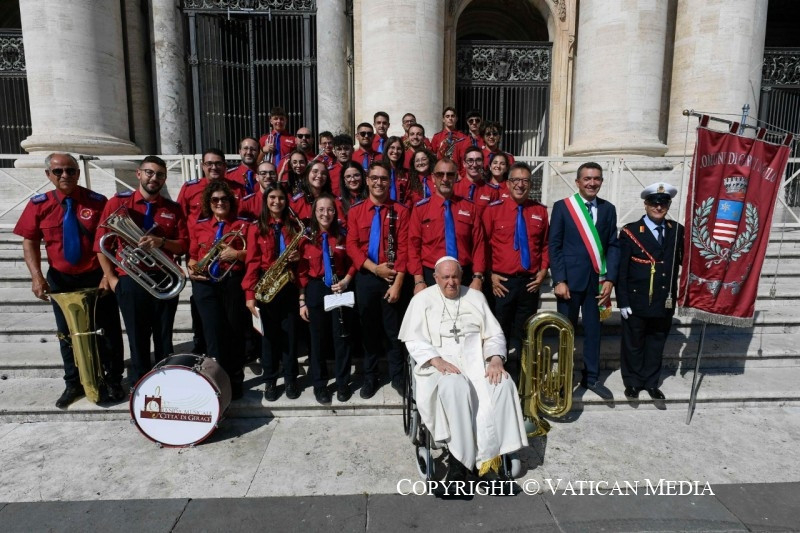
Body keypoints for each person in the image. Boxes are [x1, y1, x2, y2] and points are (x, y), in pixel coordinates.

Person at [398, 256, 527, 485]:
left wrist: (496, 358)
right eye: (445, 277)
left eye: (455, 277)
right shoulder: (421, 300)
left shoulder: (475, 297)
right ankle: (459, 463)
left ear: (461, 276)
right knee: (454, 385)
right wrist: (435, 360)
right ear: (435, 277)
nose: (451, 282)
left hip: (476, 363)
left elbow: (494, 335)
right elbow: (413, 339)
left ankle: (494, 456)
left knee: (503, 383)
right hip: (439, 369)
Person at [14, 153, 125, 407]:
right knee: (66, 334)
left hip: (96, 276)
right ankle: (73, 383)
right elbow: (30, 242)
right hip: (61, 279)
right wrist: (36, 277)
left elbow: (111, 241)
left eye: (71, 170)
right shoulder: (39, 204)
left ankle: (113, 379)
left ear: (78, 173)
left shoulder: (97, 202)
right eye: (58, 171)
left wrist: (108, 275)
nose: (65, 175)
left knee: (108, 330)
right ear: (48, 175)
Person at [95, 155, 189, 389]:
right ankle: (141, 386)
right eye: (149, 172)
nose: (154, 178)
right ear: (139, 174)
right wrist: (111, 278)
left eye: (159, 175)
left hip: (163, 278)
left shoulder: (173, 209)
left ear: (164, 179)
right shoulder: (118, 203)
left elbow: (183, 245)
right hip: (130, 279)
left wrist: (161, 242)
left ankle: (166, 383)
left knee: (163, 336)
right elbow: (101, 244)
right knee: (137, 337)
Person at [549, 162, 620, 399]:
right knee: (565, 333)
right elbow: (554, 245)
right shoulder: (563, 207)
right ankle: (563, 378)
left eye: (596, 179)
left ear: (601, 181)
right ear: (578, 182)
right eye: (587, 179)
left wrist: (610, 278)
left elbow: (612, 245)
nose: (592, 183)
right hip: (569, 283)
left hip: (597, 283)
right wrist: (559, 279)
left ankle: (591, 378)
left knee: (593, 332)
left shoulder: (608, 209)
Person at [346, 162, 409, 399]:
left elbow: (405, 249)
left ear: (389, 181)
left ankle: (397, 376)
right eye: (374, 178)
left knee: (394, 331)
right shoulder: (356, 211)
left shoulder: (401, 211)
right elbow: (352, 246)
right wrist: (375, 269)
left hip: (392, 277)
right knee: (369, 331)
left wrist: (398, 283)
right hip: (367, 276)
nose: (379, 182)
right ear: (367, 180)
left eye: (383, 178)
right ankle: (370, 377)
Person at [616, 182, 683, 401]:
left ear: (668, 205)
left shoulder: (677, 230)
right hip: (637, 298)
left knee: (656, 342)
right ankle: (633, 382)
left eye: (663, 203)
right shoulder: (631, 231)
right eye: (654, 202)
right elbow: (622, 269)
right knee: (634, 343)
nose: (658, 207)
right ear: (645, 204)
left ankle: (652, 383)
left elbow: (686, 260)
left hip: (664, 299)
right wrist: (623, 301)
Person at [482, 163, 549, 375]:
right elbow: (483, 246)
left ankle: (521, 378)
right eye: (516, 180)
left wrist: (543, 270)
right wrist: (490, 275)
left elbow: (545, 245)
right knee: (498, 331)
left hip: (530, 283)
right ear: (508, 184)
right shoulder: (493, 210)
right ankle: (497, 375)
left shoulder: (540, 211)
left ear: (531, 184)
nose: (521, 185)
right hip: (502, 283)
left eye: (525, 181)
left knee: (525, 333)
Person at [187, 180, 250, 400]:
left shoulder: (242, 225)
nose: (220, 203)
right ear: (209, 202)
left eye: (224, 199)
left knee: (234, 332)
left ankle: (235, 380)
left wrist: (237, 254)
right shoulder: (199, 226)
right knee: (212, 335)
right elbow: (192, 257)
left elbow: (254, 254)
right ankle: (216, 381)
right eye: (215, 200)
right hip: (205, 285)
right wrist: (192, 270)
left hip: (232, 282)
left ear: (230, 201)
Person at [242, 185, 302, 401]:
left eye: (281, 198)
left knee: (291, 336)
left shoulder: (293, 226)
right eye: (272, 198)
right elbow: (252, 262)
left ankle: (291, 378)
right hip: (266, 286)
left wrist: (297, 258)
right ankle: (270, 380)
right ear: (266, 200)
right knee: (268, 339)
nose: (277, 202)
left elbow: (303, 256)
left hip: (288, 285)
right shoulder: (256, 227)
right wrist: (250, 295)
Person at [297, 194, 356, 404]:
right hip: (315, 288)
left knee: (341, 338)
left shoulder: (342, 235)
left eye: (330, 209)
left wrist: (346, 281)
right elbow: (301, 272)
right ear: (314, 212)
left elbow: (354, 261)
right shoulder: (305, 239)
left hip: (338, 288)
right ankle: (320, 385)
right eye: (321, 209)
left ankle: (343, 383)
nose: (325, 214)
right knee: (317, 340)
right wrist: (302, 300)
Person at [409, 158, 486, 293]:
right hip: (431, 276)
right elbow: (413, 246)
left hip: (464, 275)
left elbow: (478, 244)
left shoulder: (469, 207)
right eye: (440, 174)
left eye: (450, 174)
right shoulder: (421, 209)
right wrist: (418, 280)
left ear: (456, 177)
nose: (445, 179)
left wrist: (478, 277)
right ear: (433, 178)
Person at [453, 145, 498, 214]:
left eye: (478, 160)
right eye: (470, 160)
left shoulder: (492, 191)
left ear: (483, 163)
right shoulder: (454, 189)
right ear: (464, 164)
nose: (474, 165)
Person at [379, 136, 410, 205]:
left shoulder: (406, 174)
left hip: (402, 208)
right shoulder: (380, 171)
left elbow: (409, 196)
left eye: (399, 149)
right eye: (392, 148)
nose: (395, 151)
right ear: (387, 149)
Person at [453, 109, 483, 175]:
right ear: (467, 122)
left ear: (481, 121)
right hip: (464, 177)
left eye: (477, 120)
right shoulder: (459, 144)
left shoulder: (485, 142)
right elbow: (455, 164)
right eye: (471, 121)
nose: (474, 123)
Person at [329, 133, 355, 198]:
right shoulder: (328, 173)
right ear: (334, 152)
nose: (343, 152)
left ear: (352, 150)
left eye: (346, 149)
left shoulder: (359, 171)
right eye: (339, 149)